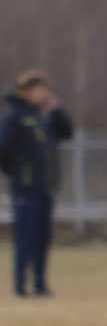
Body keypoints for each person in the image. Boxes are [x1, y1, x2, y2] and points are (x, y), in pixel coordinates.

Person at [1, 71, 72, 297]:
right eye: (39, 89)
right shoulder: (16, 118)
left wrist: (56, 109)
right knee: (26, 238)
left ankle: (40, 284)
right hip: (25, 188)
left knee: (42, 238)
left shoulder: (44, 117)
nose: (44, 93)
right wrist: (18, 174)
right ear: (27, 91)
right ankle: (21, 285)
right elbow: (3, 150)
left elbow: (66, 132)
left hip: (45, 188)